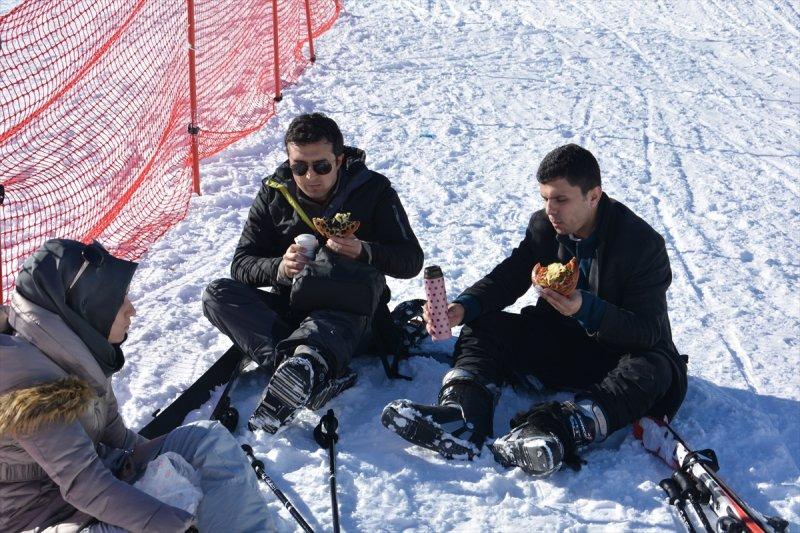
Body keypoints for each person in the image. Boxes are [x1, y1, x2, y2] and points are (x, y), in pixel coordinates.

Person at [381, 144, 688, 476]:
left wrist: (586, 309)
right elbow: (510, 276)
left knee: (654, 367)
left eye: (560, 199)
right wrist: (464, 307)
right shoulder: (546, 227)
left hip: (618, 355)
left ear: (594, 196)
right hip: (560, 344)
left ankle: (560, 431)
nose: (550, 209)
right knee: (487, 326)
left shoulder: (641, 245)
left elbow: (646, 331)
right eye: (545, 198)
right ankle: (463, 415)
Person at [0, 239, 274, 532]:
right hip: (46, 519)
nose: (132, 311)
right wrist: (172, 522)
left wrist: (169, 465)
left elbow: (120, 439)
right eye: (120, 301)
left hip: (96, 487)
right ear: (87, 307)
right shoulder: (32, 384)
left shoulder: (74, 353)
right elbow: (84, 484)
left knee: (205, 441)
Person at [203, 113, 424, 434]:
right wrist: (279, 267)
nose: (310, 177)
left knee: (338, 284)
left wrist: (365, 250)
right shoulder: (274, 194)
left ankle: (307, 366)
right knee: (217, 295)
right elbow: (242, 265)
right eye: (299, 167)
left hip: (353, 315)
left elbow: (411, 259)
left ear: (339, 159)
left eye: (321, 166)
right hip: (293, 307)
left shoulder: (373, 190)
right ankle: (302, 370)